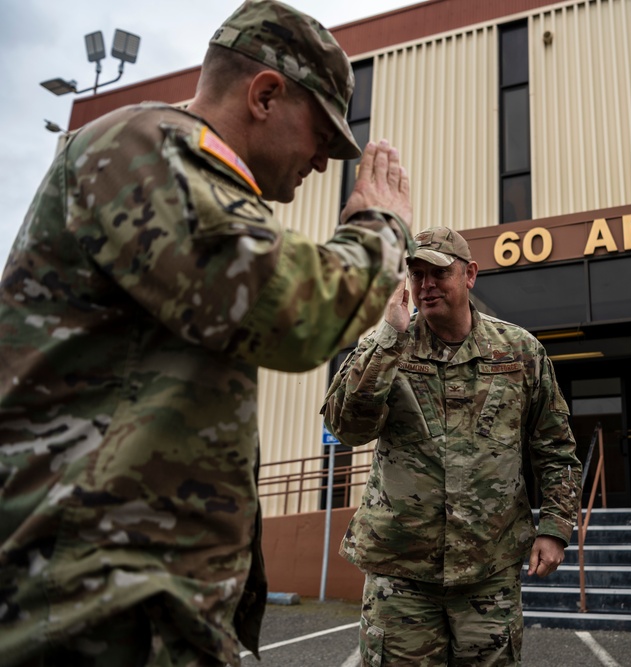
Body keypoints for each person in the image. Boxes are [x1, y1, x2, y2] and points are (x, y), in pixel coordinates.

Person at [0, 1, 413, 665]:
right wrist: (382, 227)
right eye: (322, 134)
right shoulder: (146, 147)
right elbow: (296, 312)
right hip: (92, 612)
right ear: (266, 93)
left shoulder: (193, 177)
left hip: (140, 607)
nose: (321, 159)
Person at [323, 227, 582, 666]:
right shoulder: (385, 347)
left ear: (470, 275)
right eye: (416, 273)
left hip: (488, 569)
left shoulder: (520, 352)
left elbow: (555, 447)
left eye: (438, 273)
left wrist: (556, 528)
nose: (426, 285)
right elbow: (346, 427)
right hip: (401, 573)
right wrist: (388, 337)